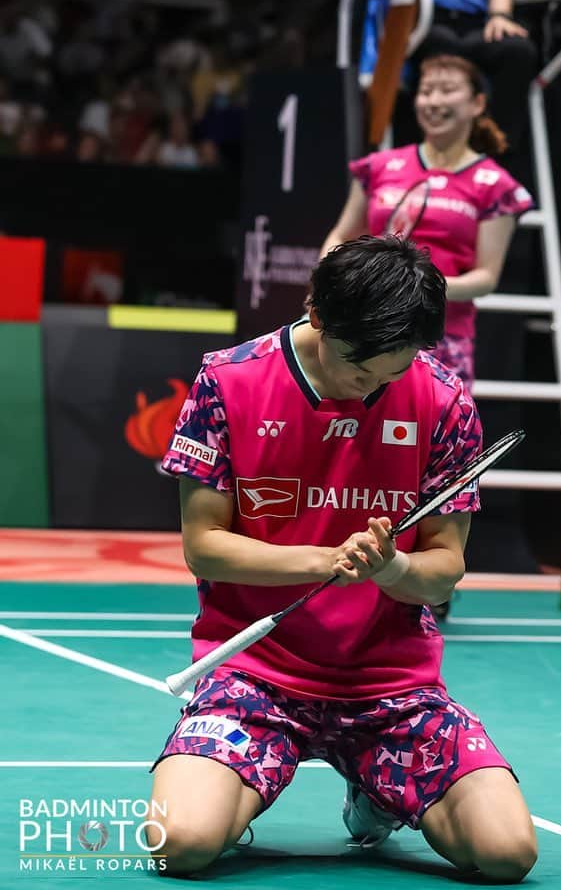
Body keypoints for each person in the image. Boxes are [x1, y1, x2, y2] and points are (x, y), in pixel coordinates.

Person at [147, 235, 538, 882]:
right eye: (360, 367)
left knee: (505, 853)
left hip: (393, 689)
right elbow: (205, 546)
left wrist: (394, 571)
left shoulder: (443, 402)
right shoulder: (229, 380)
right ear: (317, 313)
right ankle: (243, 783)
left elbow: (445, 564)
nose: (372, 386)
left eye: (393, 368)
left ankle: (377, 787)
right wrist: (325, 560)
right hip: (256, 677)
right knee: (179, 842)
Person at [321, 54, 533, 391]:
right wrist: (326, 285)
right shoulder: (379, 167)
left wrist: (413, 288)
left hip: (441, 339)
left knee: (435, 440)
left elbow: (486, 277)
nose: (433, 101)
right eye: (426, 91)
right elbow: (342, 234)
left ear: (477, 103)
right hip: (367, 327)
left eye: (447, 90)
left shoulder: (495, 185)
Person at [396, 0, 537, 152]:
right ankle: (435, 155)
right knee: (442, 46)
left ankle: (495, 151)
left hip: (475, 21)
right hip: (423, 18)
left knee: (517, 50)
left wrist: (500, 16)